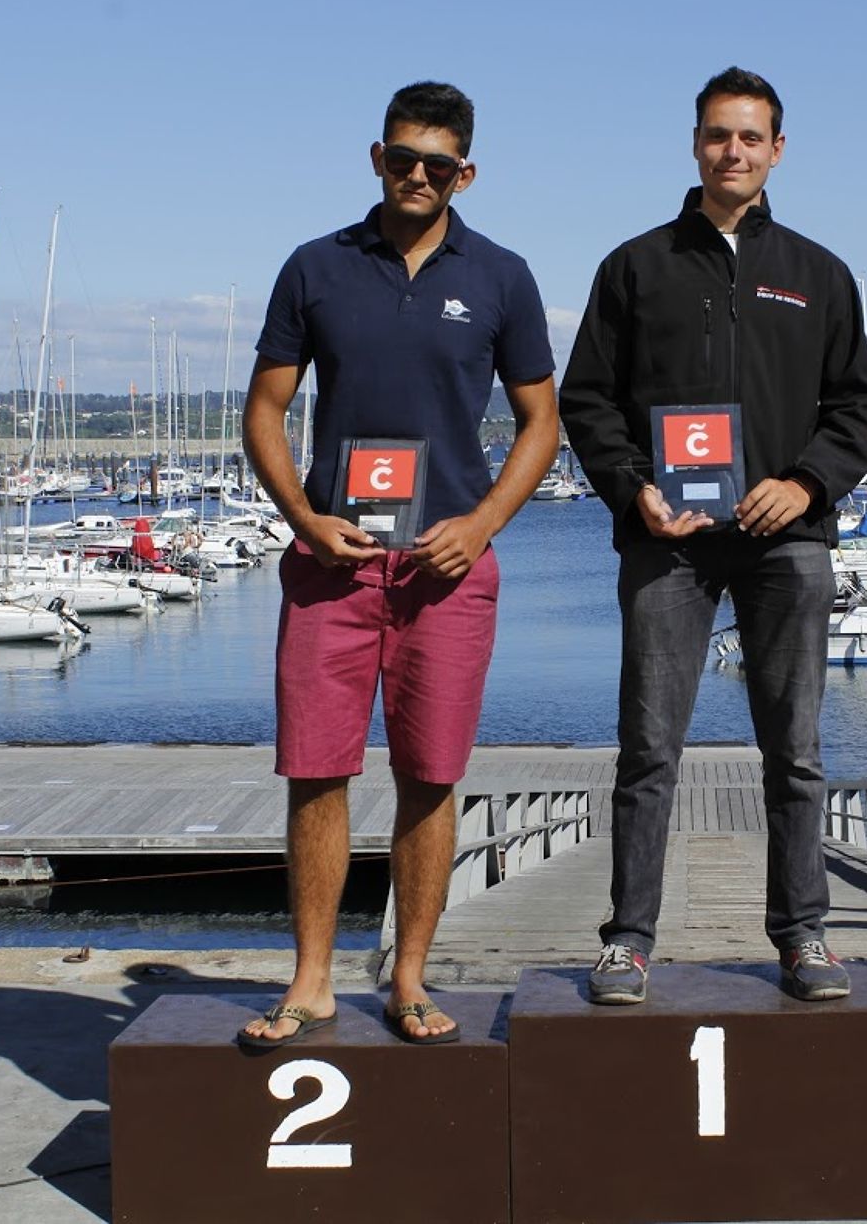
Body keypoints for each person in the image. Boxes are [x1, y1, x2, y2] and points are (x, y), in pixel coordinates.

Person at [239, 82, 558, 1047]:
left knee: (429, 775)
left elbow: (543, 422)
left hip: (445, 572)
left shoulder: (501, 275)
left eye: (437, 163)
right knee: (315, 773)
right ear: (374, 157)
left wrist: (484, 522)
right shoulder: (315, 267)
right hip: (332, 565)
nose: (416, 175)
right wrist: (300, 515)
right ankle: (310, 981)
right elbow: (263, 410)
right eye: (400, 157)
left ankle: (410, 979)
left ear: (466, 172)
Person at [560, 67, 867, 1005]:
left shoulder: (819, 273)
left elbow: (858, 405)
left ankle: (803, 937)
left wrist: (806, 481)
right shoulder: (635, 265)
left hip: (786, 540)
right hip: (668, 542)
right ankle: (627, 940)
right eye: (716, 136)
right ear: (694, 145)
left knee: (795, 750)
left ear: (776, 149)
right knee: (648, 749)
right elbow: (589, 399)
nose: (731, 151)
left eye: (749, 137)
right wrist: (632, 491)